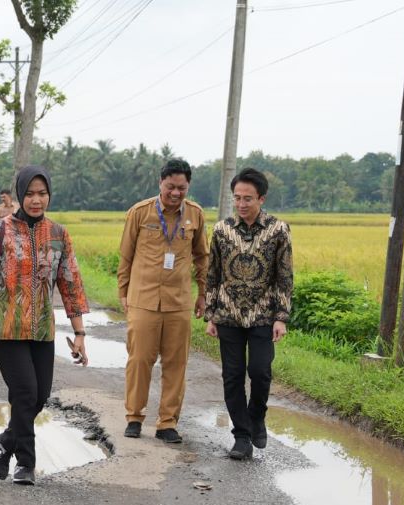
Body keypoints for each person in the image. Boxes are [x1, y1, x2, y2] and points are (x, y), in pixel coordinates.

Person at [0, 166, 89, 486]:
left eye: (42, 193)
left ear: (49, 195)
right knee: (25, 392)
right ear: (20, 195)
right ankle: (26, 464)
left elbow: (70, 284)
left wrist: (79, 333)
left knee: (40, 395)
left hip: (42, 327)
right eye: (30, 194)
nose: (36, 200)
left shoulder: (59, 234)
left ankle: (6, 440)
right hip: (4, 325)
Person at [118, 158, 209, 444]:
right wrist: (123, 292)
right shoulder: (140, 213)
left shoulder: (195, 214)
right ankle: (134, 416)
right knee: (140, 359)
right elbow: (126, 255)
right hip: (143, 299)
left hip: (179, 301)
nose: (176, 193)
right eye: (171, 187)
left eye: (181, 188)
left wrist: (203, 294)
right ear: (160, 183)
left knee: (176, 362)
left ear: (188, 187)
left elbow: (202, 257)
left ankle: (167, 423)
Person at [205, 167, 293, 460]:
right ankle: (241, 436)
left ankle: (257, 417)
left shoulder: (278, 230)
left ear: (261, 199)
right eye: (237, 198)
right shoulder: (221, 230)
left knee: (260, 371)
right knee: (232, 376)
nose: (242, 204)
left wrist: (281, 316)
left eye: (248, 199)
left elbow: (284, 275)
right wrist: (211, 313)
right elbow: (213, 274)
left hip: (263, 315)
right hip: (228, 314)